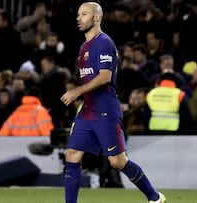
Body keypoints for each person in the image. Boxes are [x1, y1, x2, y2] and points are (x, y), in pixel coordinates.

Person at [60, 2, 166, 203]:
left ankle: (155, 198)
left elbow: (105, 77)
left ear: (97, 17)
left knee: (117, 161)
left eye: (84, 14)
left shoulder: (105, 43)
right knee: (72, 154)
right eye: (78, 14)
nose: (78, 18)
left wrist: (76, 91)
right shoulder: (84, 47)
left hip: (105, 110)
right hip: (87, 110)